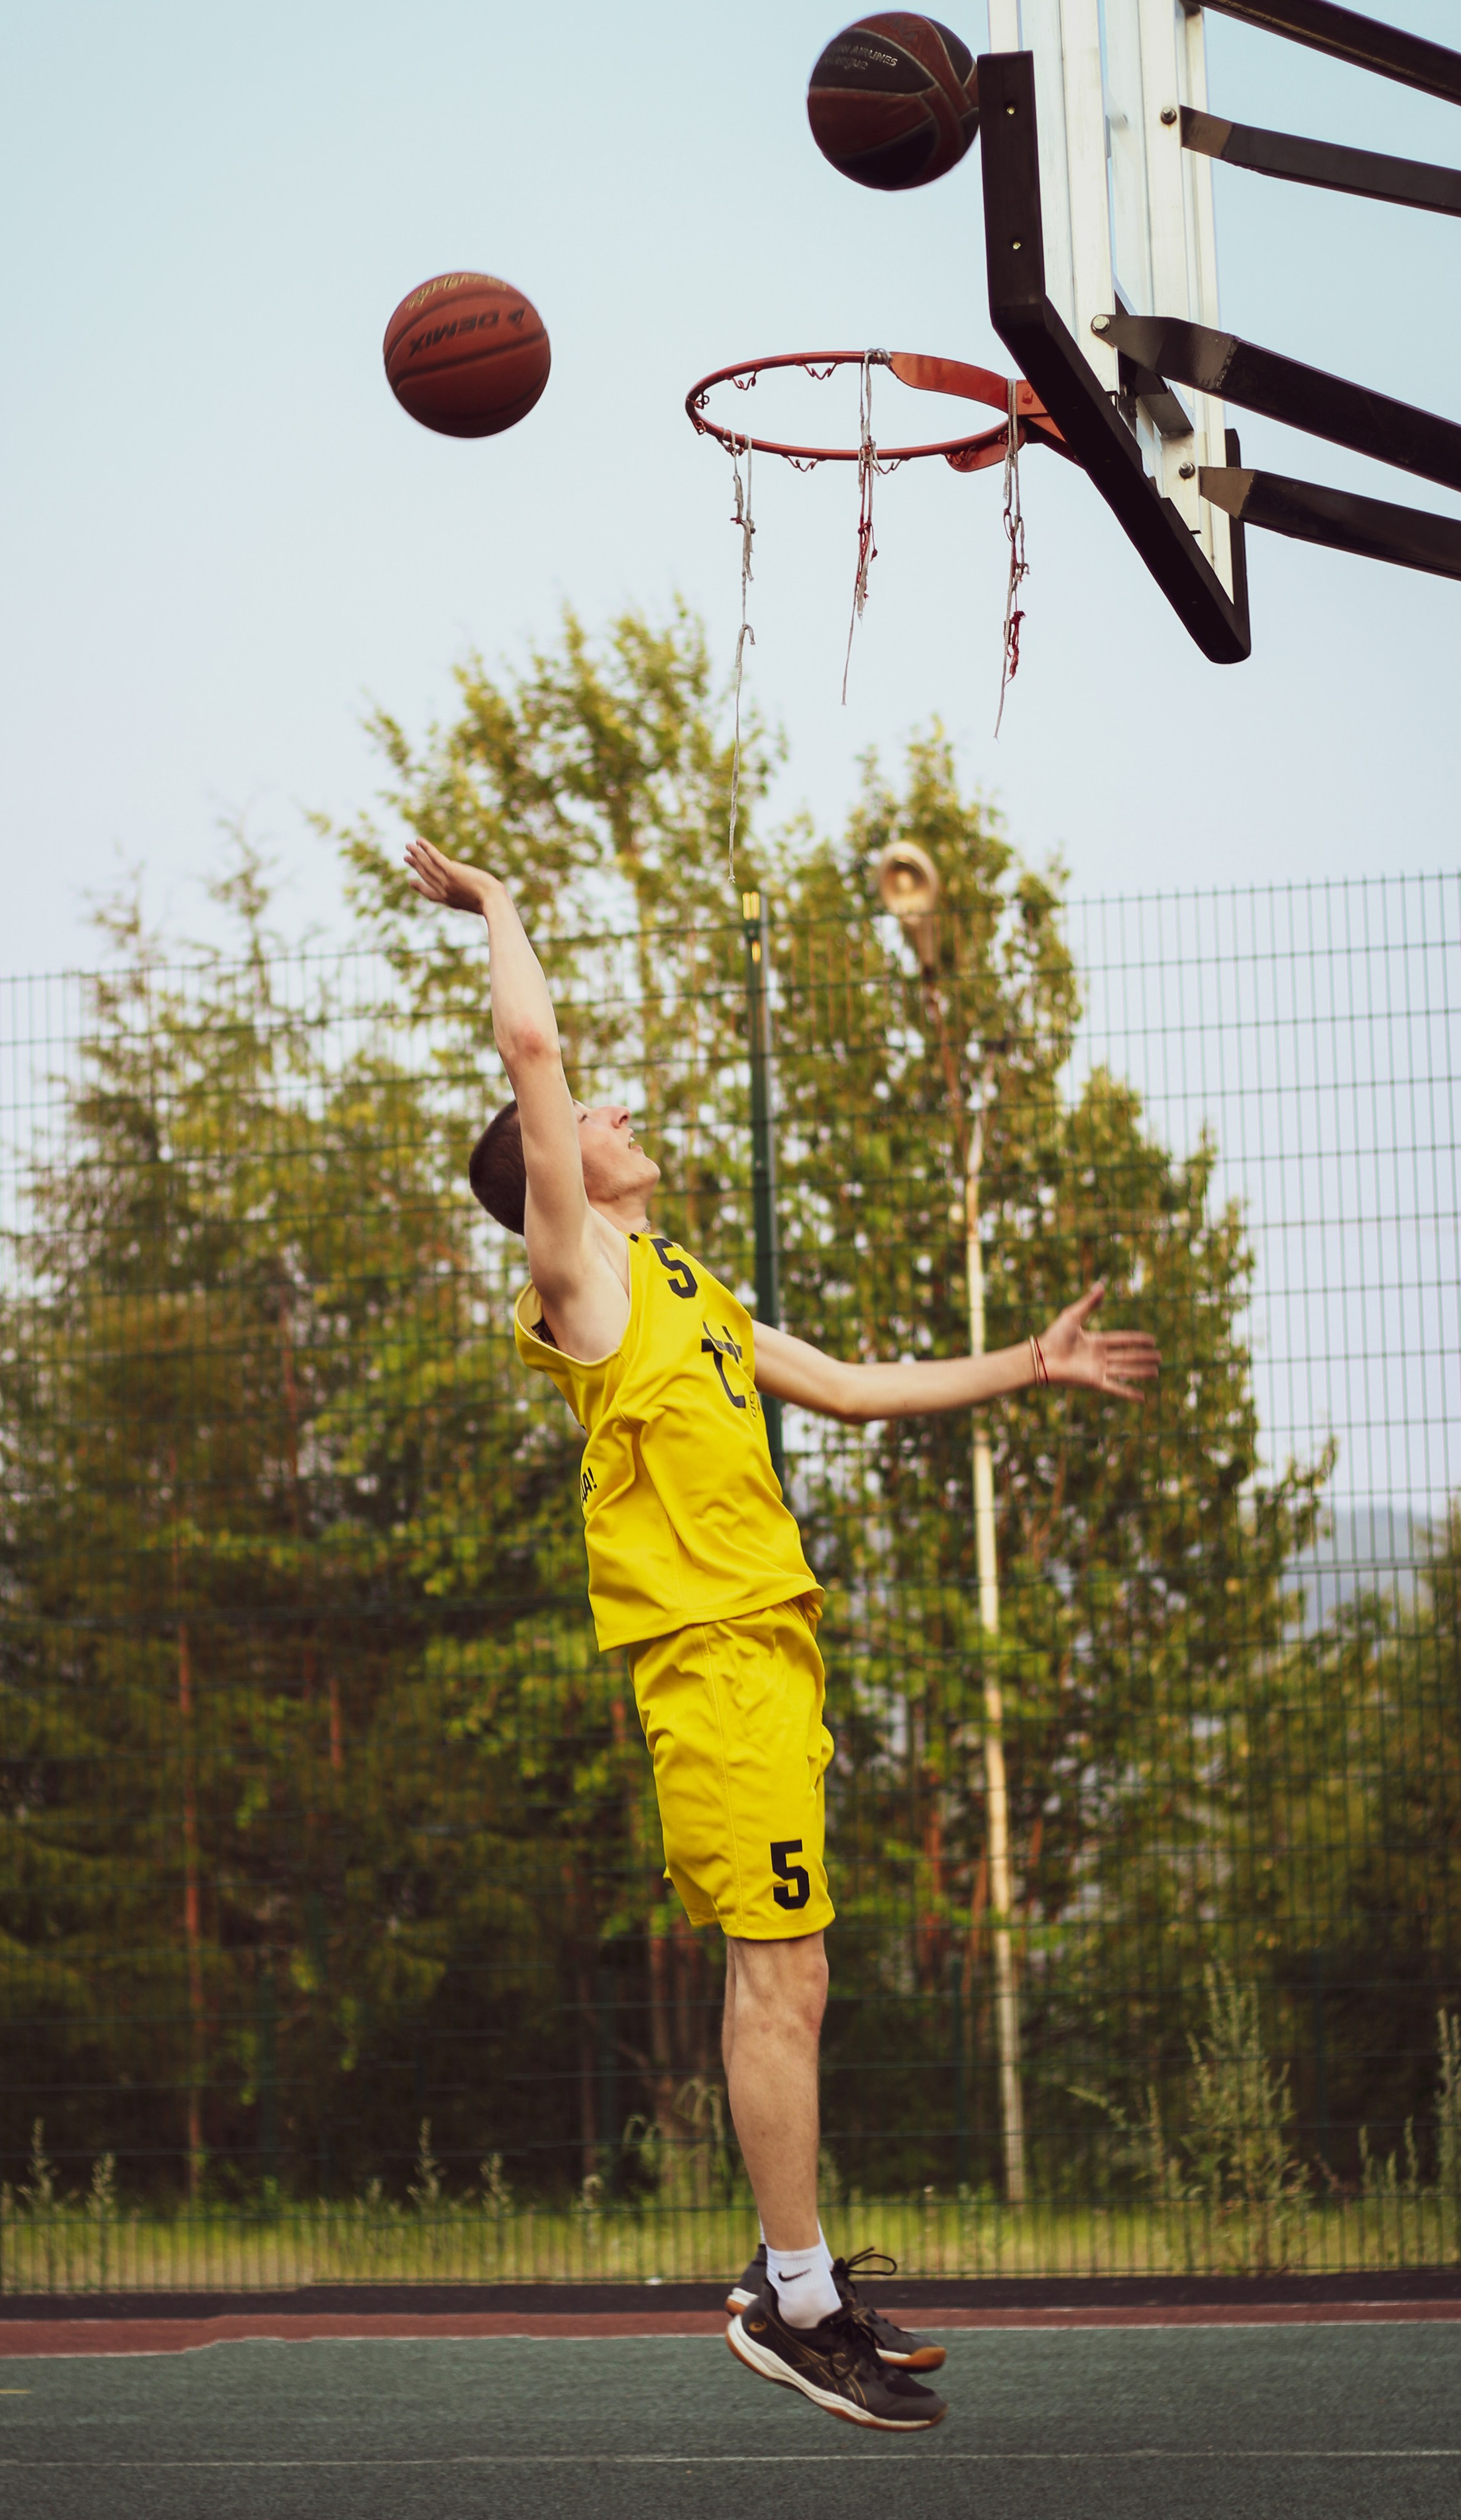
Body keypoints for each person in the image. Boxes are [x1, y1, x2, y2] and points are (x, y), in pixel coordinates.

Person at [405, 836, 1160, 2433]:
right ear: (548, 1168)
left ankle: (793, 2283)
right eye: (589, 1115)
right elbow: (530, 1050)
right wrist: (502, 909)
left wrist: (1026, 1362)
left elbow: (863, 1387)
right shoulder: (577, 1284)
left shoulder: (687, 1287)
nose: (612, 1112)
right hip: (708, 1664)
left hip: (771, 1659)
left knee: (796, 1976)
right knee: (777, 1982)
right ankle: (793, 2297)